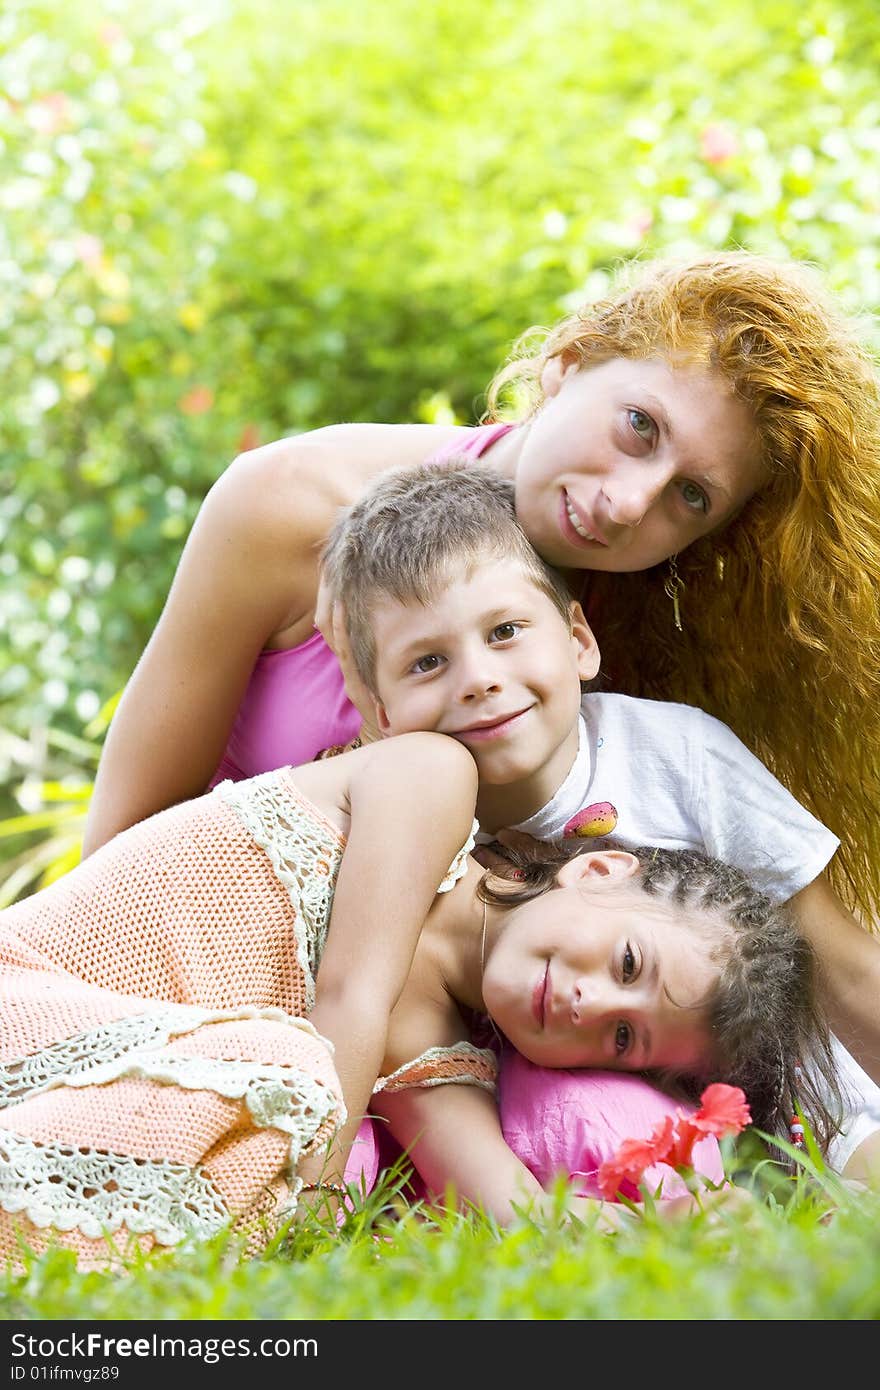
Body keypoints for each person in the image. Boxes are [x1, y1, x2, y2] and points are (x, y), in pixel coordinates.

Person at [81, 252, 880, 944]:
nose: (631, 503)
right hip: (217, 952)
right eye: (639, 425)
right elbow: (116, 849)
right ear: (568, 362)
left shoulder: (647, 645)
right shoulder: (289, 505)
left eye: (693, 497)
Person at [0, 730, 840, 1271]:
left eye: (624, 1039)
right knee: (295, 1077)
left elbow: (505, 1200)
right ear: (596, 868)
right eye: (626, 962)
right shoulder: (433, 779)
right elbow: (350, 992)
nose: (587, 1004)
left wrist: (674, 1228)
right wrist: (315, 1209)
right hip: (31, 993)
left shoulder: (433, 1043)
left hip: (116, 1073)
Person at [318, 459, 880, 1183]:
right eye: (427, 663)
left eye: (507, 630)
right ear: (381, 712)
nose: (479, 679)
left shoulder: (678, 755)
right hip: (606, 1106)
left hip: (824, 1093)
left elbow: (847, 967)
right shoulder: (405, 819)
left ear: (579, 640)